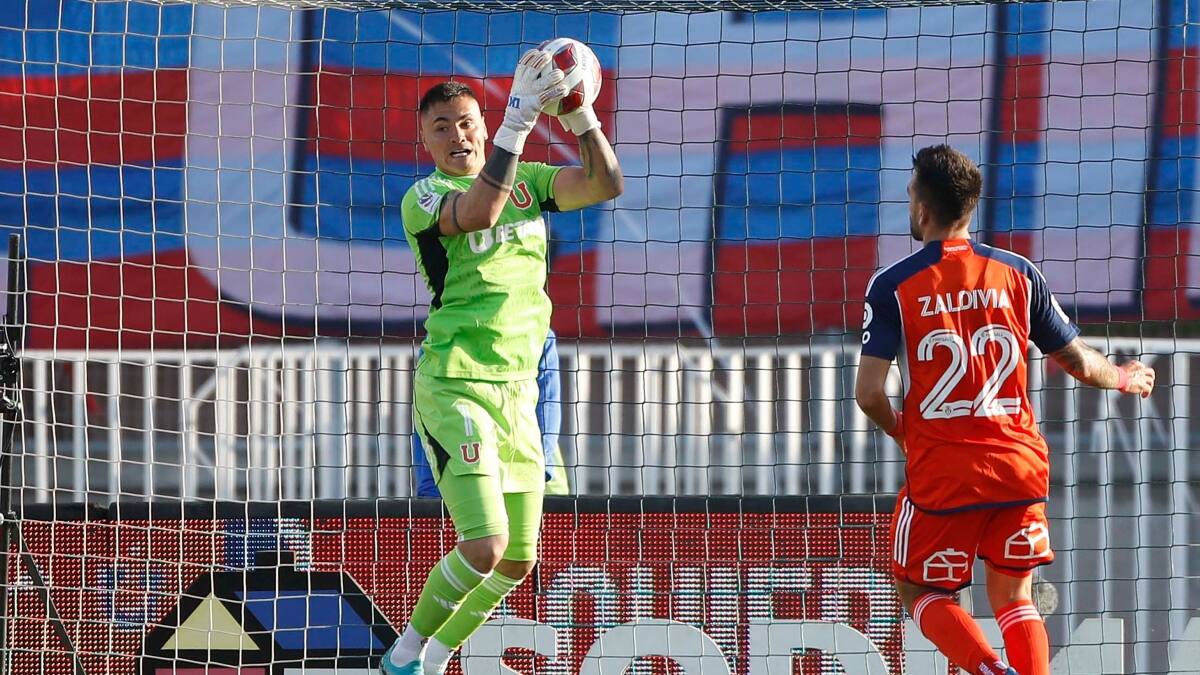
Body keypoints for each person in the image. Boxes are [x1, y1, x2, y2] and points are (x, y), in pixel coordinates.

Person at [854, 145, 1155, 675]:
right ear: (968, 209)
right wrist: (1126, 377)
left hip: (945, 474)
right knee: (1016, 595)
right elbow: (1079, 362)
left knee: (917, 587)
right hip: (1019, 467)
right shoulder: (1018, 274)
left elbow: (869, 393)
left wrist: (905, 435)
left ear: (922, 211)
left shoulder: (892, 286)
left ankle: (992, 672)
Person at [381, 47, 622, 675]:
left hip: (519, 394)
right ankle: (404, 652)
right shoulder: (423, 198)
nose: (456, 135)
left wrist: (579, 116)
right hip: (456, 385)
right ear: (425, 141)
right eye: (441, 127)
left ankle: (432, 659)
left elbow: (604, 183)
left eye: (465, 122)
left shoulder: (533, 184)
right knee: (484, 546)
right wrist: (519, 118)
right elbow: (482, 210)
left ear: (481, 127)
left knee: (518, 560)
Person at [411, 331, 569, 497]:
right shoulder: (441, 338)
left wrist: (541, 470)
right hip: (479, 474)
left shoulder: (537, 333)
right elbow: (429, 415)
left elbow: (547, 410)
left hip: (529, 476)